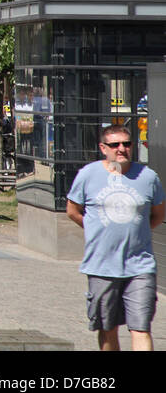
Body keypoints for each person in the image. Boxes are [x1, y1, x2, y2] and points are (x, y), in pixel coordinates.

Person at [66, 123, 165, 350]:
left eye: (126, 143)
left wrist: (138, 231)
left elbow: (158, 214)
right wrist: (93, 228)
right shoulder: (88, 175)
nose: (122, 149)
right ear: (103, 148)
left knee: (141, 327)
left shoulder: (148, 177)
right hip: (101, 266)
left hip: (140, 266)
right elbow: (72, 210)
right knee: (107, 328)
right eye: (115, 144)